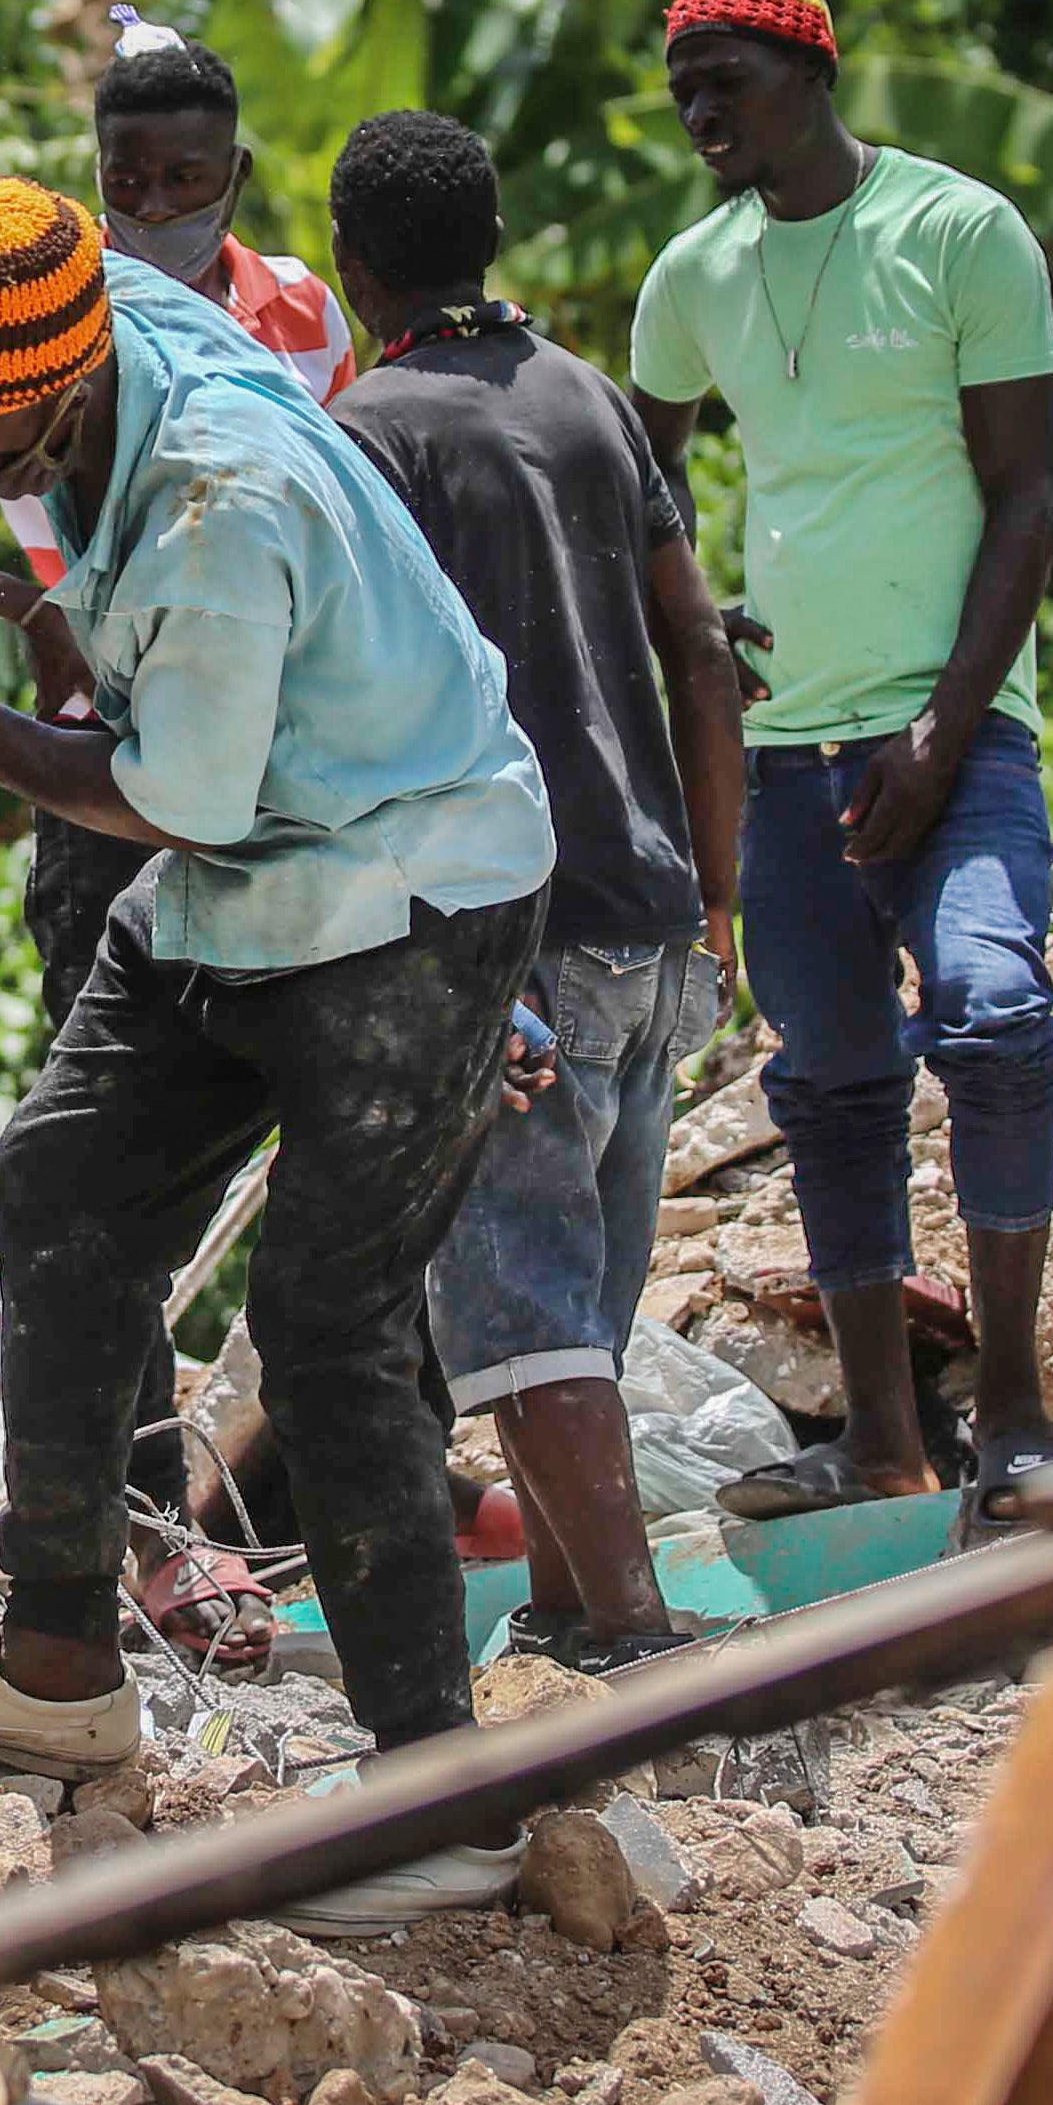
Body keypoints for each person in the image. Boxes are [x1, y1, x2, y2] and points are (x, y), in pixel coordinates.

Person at [0, 168, 550, 1921]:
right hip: (247, 878)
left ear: (60, 389)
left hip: (397, 894)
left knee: (323, 1320)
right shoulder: (75, 318)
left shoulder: (218, 495)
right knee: (58, 1178)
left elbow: (169, 800)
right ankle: (55, 1665)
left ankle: (444, 1801)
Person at [0, 18, 357, 1661]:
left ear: (232, 176)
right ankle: (144, 1517)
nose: (155, 201)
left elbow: (353, 503)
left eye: (183, 179)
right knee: (100, 1168)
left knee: (319, 1146)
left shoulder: (299, 315)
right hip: (107, 778)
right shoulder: (45, 317)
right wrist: (15, 600)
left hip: (290, 780)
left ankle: (274, 1508)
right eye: (126, 179)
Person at [622, 0, 1053, 1520]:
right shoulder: (690, 274)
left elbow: (1027, 494)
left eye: (725, 82)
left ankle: (1013, 1416)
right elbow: (646, 479)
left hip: (955, 737)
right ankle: (883, 1441)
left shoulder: (955, 232)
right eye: (681, 86)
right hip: (784, 753)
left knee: (997, 1018)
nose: (699, 111)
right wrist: (694, 622)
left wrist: (944, 733)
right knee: (828, 1082)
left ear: (810, 73)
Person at [324, 112, 748, 1669]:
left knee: (519, 1312)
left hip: (510, 934)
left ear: (344, 257)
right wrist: (719, 901)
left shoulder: (367, 430)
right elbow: (697, 652)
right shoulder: (582, 396)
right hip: (649, 921)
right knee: (576, 1315)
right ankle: (571, 1618)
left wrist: (447, 966)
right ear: (488, 238)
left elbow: (376, 716)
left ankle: (634, 1646)